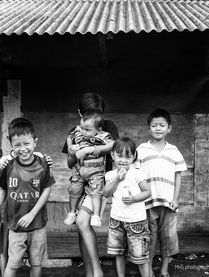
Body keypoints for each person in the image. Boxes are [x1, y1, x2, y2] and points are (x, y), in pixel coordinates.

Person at [0, 118, 55, 277]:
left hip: (37, 223)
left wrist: (32, 214)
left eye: (26, 143)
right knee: (12, 264)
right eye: (17, 145)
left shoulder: (42, 163)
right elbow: (3, 190)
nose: (22, 149)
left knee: (36, 263)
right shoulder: (7, 165)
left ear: (35, 142)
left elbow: (46, 190)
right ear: (11, 145)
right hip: (15, 224)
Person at [62, 92, 119, 277]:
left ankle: (97, 271)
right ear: (80, 112)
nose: (96, 116)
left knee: (82, 221)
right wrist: (75, 153)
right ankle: (90, 272)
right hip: (81, 180)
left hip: (99, 183)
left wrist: (90, 149)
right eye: (90, 112)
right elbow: (69, 164)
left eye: (98, 112)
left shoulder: (108, 126)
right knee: (81, 227)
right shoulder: (76, 130)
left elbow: (115, 150)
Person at [136, 108, 187, 277]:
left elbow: (178, 176)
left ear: (169, 128)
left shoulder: (174, 150)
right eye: (154, 125)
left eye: (162, 125)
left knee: (168, 237)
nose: (158, 128)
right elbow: (136, 175)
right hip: (148, 202)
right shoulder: (142, 150)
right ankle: (148, 270)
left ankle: (164, 269)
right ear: (148, 128)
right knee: (148, 238)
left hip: (168, 202)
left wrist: (176, 199)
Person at [103, 137, 151, 277]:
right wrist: (117, 179)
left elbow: (147, 192)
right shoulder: (110, 175)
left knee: (141, 256)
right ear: (112, 155)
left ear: (133, 157)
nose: (123, 160)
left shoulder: (137, 173)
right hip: (116, 221)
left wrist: (134, 199)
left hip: (136, 222)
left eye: (128, 156)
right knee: (118, 253)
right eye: (119, 155)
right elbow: (106, 193)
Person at [64, 112, 114, 227]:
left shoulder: (102, 136)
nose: (83, 132)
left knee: (96, 192)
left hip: (95, 171)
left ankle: (96, 216)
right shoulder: (78, 131)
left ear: (99, 129)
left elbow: (113, 145)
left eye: (87, 130)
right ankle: (72, 212)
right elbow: (69, 136)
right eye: (82, 128)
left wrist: (97, 149)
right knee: (73, 189)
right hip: (79, 169)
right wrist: (70, 147)